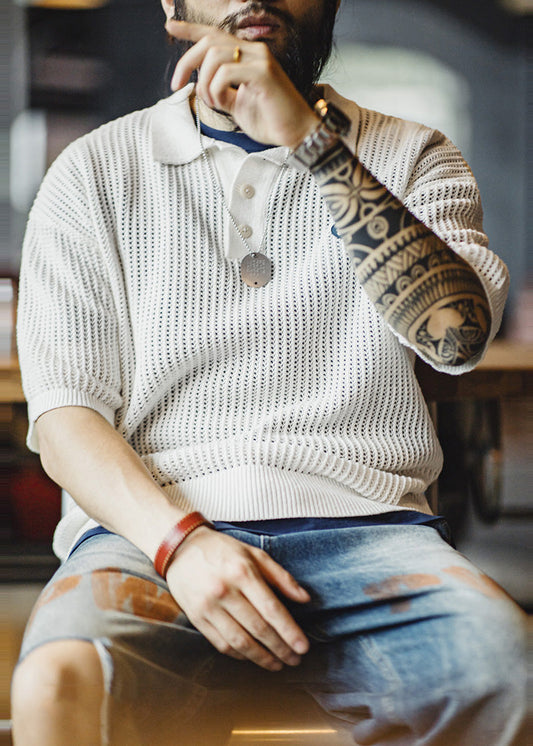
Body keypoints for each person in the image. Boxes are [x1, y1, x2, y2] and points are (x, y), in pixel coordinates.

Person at [12, 0, 526, 744]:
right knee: (56, 683)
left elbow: (456, 338)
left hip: (372, 529)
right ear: (172, 4)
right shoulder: (92, 171)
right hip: (146, 536)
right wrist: (181, 544)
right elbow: (66, 420)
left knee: (507, 668)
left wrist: (313, 144)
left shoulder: (415, 154)